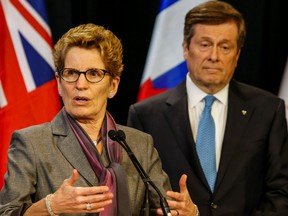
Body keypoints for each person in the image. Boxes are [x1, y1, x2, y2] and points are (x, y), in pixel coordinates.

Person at [0, 23, 198, 216]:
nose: (80, 84)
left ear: (113, 85)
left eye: (94, 74)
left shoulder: (139, 145)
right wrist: (50, 207)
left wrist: (188, 212)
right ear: (59, 83)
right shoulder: (32, 143)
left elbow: (163, 209)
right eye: (71, 73)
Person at [127, 1, 288, 215]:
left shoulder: (268, 109)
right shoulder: (146, 115)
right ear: (185, 48)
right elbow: (136, 196)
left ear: (237, 54)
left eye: (225, 46)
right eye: (204, 44)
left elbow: (281, 192)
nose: (214, 56)